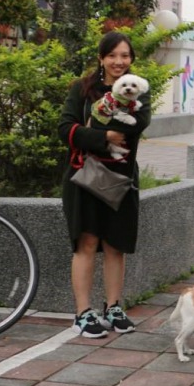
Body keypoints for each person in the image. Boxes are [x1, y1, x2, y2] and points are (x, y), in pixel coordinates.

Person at [58, 31, 149, 338]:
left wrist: (97, 131)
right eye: (112, 56)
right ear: (101, 58)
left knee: (115, 244)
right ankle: (82, 313)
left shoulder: (138, 93)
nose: (118, 62)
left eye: (124, 56)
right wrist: (104, 137)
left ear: (131, 59)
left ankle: (113, 307)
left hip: (121, 179)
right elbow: (64, 127)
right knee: (85, 243)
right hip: (84, 177)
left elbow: (136, 126)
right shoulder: (81, 90)